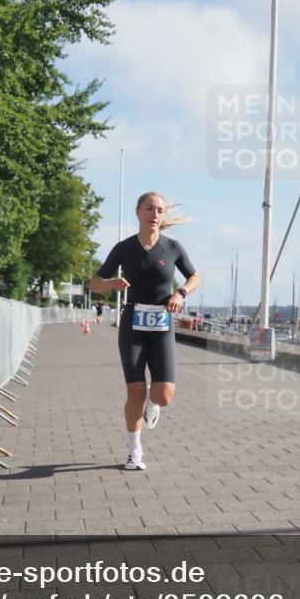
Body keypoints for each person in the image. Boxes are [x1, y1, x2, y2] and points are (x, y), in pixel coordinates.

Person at [90, 192, 200, 470]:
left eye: (160, 210)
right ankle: (134, 450)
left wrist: (181, 293)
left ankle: (153, 403)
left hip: (162, 325)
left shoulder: (173, 247)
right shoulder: (123, 248)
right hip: (132, 326)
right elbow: (95, 282)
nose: (155, 214)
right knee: (134, 392)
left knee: (164, 395)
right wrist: (111, 283)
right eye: (149, 208)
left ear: (163, 216)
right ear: (138, 212)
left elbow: (195, 276)